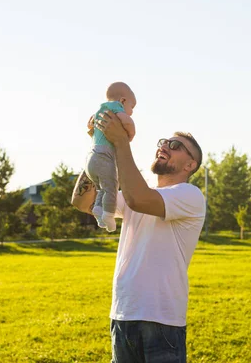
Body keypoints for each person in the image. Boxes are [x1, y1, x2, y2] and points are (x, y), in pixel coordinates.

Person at [72, 110, 206, 363]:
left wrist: (121, 142)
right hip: (123, 313)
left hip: (162, 319)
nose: (165, 146)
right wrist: (100, 147)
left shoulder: (190, 196)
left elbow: (138, 198)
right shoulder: (140, 193)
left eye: (175, 146)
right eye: (163, 142)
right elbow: (82, 201)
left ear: (190, 165)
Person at [85, 82, 137, 232]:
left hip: (91, 158)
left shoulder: (98, 112)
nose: (131, 112)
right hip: (103, 156)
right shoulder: (116, 107)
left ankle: (98, 209)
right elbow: (127, 121)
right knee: (112, 187)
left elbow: (92, 128)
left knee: (102, 188)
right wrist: (131, 133)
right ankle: (108, 215)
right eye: (132, 108)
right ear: (123, 101)